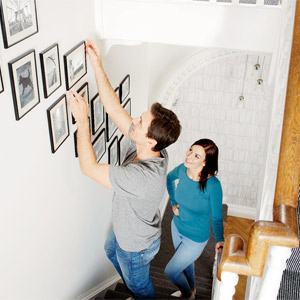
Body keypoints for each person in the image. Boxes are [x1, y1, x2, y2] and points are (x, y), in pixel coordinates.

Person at [69, 39, 181, 299]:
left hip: (136, 248)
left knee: (141, 287)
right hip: (133, 234)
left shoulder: (140, 177)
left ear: (150, 139)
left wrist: (82, 121)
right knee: (110, 250)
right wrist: (97, 63)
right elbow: (114, 109)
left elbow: (88, 167)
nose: (135, 120)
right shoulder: (154, 148)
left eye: (141, 121)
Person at [164, 139, 224, 299]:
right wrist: (174, 202)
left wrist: (220, 239)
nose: (189, 156)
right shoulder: (183, 169)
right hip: (176, 227)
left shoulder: (213, 186)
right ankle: (191, 289)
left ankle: (186, 293)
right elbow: (169, 179)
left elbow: (217, 217)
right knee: (186, 264)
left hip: (195, 238)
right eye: (190, 150)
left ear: (205, 162)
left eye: (196, 155)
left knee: (170, 271)